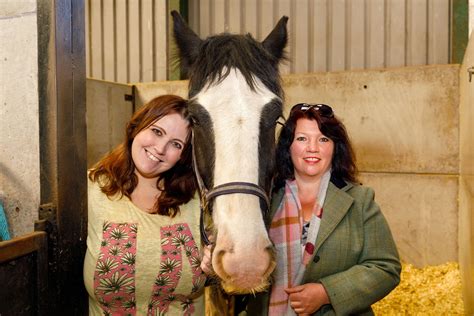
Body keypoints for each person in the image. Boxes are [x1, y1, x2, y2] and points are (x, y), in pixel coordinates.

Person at [242, 102, 401, 315]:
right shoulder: (264, 203)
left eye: (323, 139)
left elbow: (386, 268)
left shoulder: (360, 201)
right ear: (288, 147)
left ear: (335, 148)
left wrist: (326, 292)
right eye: (302, 138)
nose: (312, 148)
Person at [83, 95, 206, 315]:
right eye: (157, 132)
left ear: (183, 156)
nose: (160, 148)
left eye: (176, 144)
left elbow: (225, 273)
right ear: (137, 126)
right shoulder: (91, 189)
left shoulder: (198, 201)